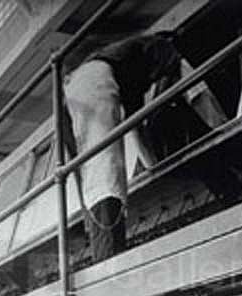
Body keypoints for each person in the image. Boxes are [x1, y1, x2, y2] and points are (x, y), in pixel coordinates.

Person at [64, 31, 184, 261]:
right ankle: (109, 261)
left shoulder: (129, 65)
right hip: (95, 80)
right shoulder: (161, 45)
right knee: (107, 174)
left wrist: (154, 167)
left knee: (96, 172)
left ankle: (101, 244)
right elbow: (162, 91)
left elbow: (135, 122)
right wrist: (154, 165)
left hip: (75, 88)